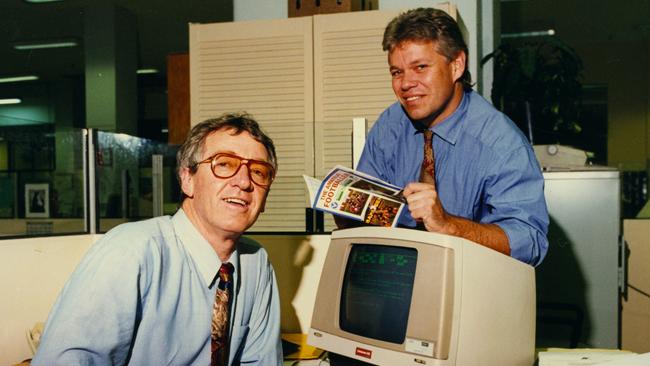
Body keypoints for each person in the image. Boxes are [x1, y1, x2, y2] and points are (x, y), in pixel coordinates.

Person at [32, 113, 283, 365]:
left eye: (258, 171)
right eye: (225, 164)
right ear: (187, 180)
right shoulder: (130, 252)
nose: (243, 182)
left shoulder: (256, 263)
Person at [351, 8, 549, 266]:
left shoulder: (501, 143)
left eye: (420, 67)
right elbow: (365, 204)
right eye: (396, 72)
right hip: (395, 277)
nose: (405, 83)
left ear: (456, 65)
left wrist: (448, 225)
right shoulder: (390, 123)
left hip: (470, 284)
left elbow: (530, 241)